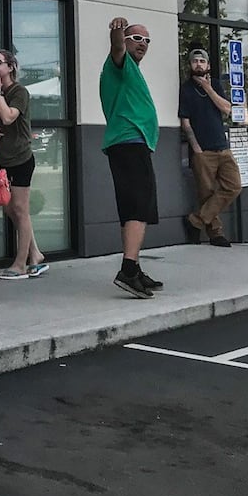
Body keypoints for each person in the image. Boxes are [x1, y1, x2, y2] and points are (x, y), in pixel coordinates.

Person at [100, 17, 165, 299]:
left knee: (133, 208)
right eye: (137, 38)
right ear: (126, 41)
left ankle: (134, 267)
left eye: (147, 40)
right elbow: (116, 49)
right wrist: (116, 32)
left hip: (132, 144)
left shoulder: (132, 72)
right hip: (129, 142)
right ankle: (128, 269)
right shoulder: (119, 62)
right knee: (139, 207)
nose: (143, 44)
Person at [0, 49, 47, 280]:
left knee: (20, 210)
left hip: (21, 158)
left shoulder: (18, 92)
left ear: (11, 67)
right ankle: (35, 254)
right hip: (2, 160)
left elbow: (9, 117)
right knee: (9, 208)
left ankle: (20, 264)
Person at [179, 46, 240, 247]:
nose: (198, 64)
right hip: (202, 150)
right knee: (205, 193)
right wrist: (196, 148)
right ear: (190, 65)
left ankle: (195, 221)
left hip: (222, 147)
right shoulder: (186, 89)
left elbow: (227, 109)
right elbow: (185, 122)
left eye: (202, 61)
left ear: (208, 65)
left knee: (233, 186)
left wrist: (208, 88)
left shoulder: (215, 85)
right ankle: (216, 234)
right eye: (195, 61)